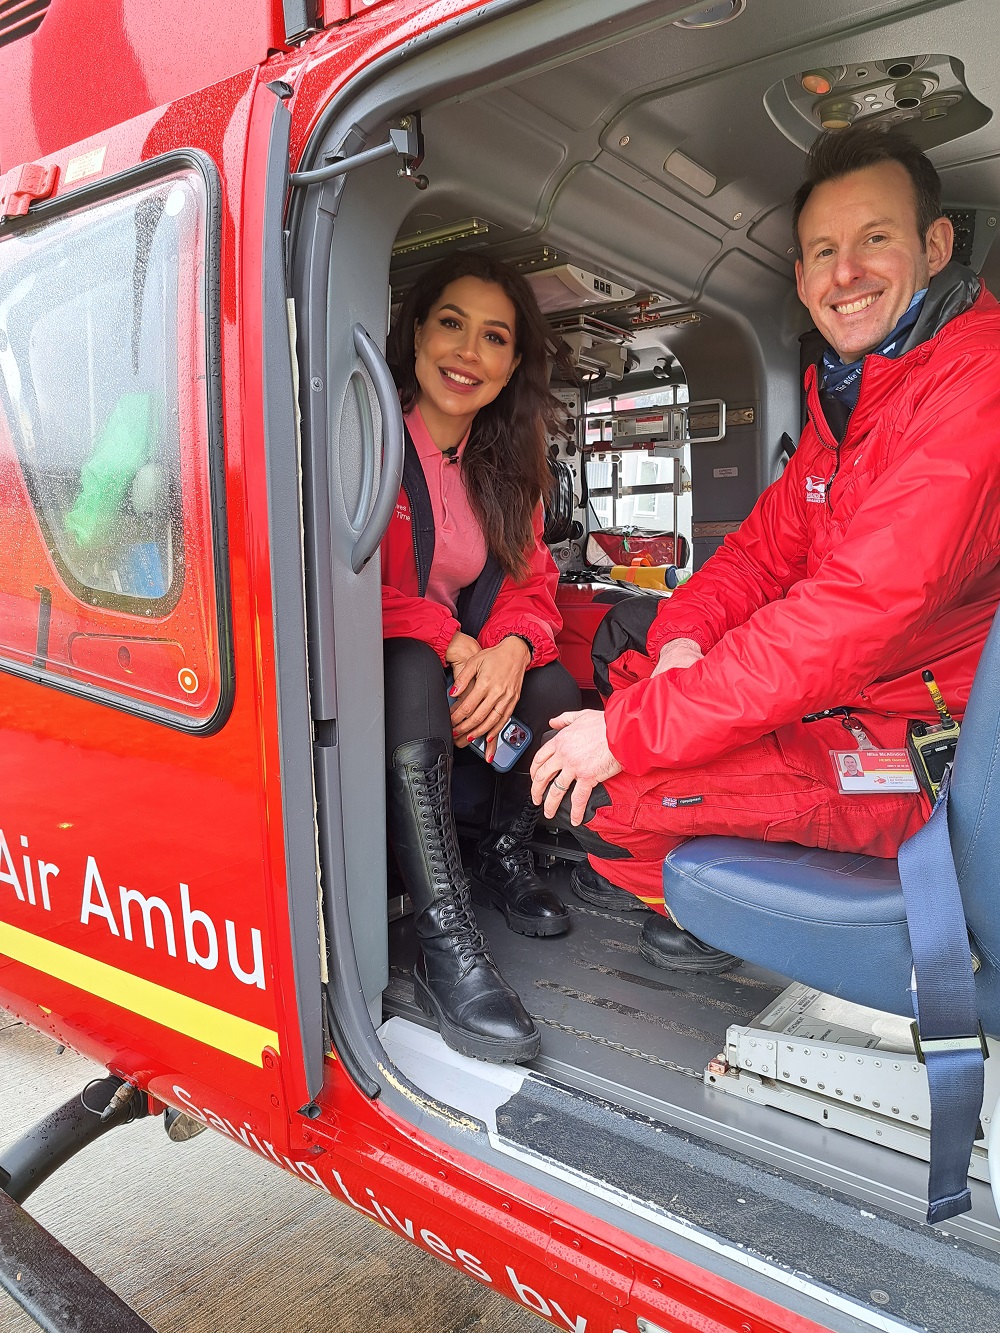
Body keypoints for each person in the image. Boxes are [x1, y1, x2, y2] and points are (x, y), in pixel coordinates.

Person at [530, 122, 1000, 975]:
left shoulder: (974, 387)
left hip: (932, 742)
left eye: (875, 240)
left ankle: (696, 905)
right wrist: (679, 642)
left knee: (607, 794)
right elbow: (753, 558)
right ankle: (685, 871)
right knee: (638, 671)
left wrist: (633, 733)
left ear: (935, 246)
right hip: (846, 696)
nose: (845, 272)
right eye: (824, 251)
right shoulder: (852, 396)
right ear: (801, 277)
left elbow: (847, 618)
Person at [383, 252, 581, 1064]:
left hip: (469, 661)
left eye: (494, 337)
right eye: (451, 324)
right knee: (409, 667)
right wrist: (443, 634)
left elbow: (536, 588)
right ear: (418, 333)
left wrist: (509, 647)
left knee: (555, 688)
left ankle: (502, 850)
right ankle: (444, 941)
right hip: (378, 675)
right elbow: (333, 582)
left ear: (510, 366)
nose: (468, 352)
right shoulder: (368, 442)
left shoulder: (507, 464)